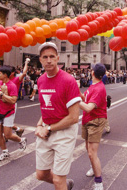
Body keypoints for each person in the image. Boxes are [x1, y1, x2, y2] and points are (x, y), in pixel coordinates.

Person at [35, 42, 81, 190]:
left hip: (64, 133)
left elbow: (74, 117)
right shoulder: (40, 80)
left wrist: (48, 127)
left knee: (58, 179)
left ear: (57, 58)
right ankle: (66, 185)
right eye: (45, 57)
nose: (49, 60)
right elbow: (46, 107)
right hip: (46, 132)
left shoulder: (68, 80)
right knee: (41, 175)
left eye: (52, 57)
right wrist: (39, 125)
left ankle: (62, 184)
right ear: (40, 60)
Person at [79, 63, 108, 190]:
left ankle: (99, 182)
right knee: (88, 149)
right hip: (87, 119)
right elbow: (86, 98)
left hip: (95, 121)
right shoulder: (93, 85)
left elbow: (89, 107)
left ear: (92, 72)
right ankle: (93, 167)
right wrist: (75, 90)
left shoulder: (99, 88)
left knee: (92, 153)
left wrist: (73, 100)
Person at [0, 65, 27, 162]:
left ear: (5, 75)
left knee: (7, 135)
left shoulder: (12, 86)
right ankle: (5, 152)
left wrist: (2, 95)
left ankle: (21, 140)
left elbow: (13, 100)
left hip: (8, 112)